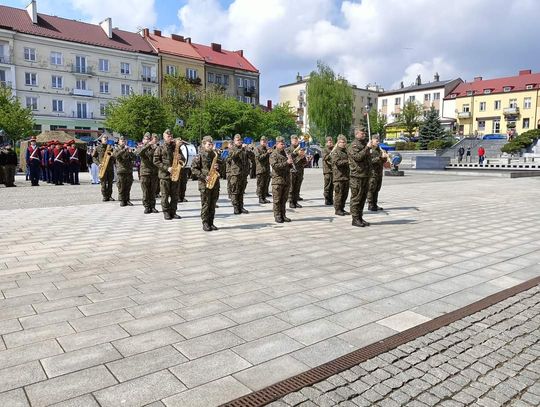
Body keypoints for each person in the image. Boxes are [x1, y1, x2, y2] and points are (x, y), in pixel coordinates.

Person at [191, 136, 221, 231]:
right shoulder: (199, 155)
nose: (211, 146)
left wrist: (218, 166)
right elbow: (193, 169)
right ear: (204, 144)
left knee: (213, 203)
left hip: (214, 182)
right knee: (206, 204)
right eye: (209, 144)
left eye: (211, 144)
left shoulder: (215, 154)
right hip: (204, 183)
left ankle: (211, 222)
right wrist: (204, 176)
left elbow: (223, 165)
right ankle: (205, 223)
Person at [154, 129, 184, 220]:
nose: (170, 138)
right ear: (164, 137)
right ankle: (166, 212)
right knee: (165, 195)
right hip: (165, 175)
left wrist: (180, 157)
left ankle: (173, 212)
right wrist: (167, 168)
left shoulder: (176, 147)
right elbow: (156, 161)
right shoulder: (160, 148)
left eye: (171, 136)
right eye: (168, 136)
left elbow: (183, 159)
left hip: (175, 174)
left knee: (175, 195)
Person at [348, 128, 372, 227]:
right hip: (357, 176)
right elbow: (358, 157)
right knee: (356, 198)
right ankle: (355, 219)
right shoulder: (354, 145)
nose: (364, 135)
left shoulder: (364, 144)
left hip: (365, 175)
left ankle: (360, 217)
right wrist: (367, 148)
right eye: (362, 133)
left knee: (362, 198)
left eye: (364, 133)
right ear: (356, 134)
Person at [270, 136, 294, 223]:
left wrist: (290, 163)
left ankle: (283, 215)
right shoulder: (273, 154)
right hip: (277, 181)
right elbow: (275, 166)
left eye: (284, 144)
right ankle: (277, 216)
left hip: (286, 179)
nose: (283, 145)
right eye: (281, 144)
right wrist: (286, 163)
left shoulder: (285, 153)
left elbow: (289, 166)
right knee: (277, 200)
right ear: (277, 144)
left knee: (284, 200)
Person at [227, 134, 250, 214]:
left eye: (240, 140)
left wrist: (248, 150)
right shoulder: (232, 149)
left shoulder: (244, 149)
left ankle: (241, 206)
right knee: (235, 191)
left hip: (243, 173)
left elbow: (252, 157)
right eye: (237, 140)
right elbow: (233, 156)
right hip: (235, 173)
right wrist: (241, 149)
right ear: (234, 141)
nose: (239, 142)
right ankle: (236, 207)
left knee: (241, 191)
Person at [137, 132, 159, 214]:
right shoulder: (141, 147)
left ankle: (153, 206)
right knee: (145, 191)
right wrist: (148, 145)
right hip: (145, 173)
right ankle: (146, 206)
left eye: (149, 139)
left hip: (153, 173)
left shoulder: (154, 148)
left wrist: (154, 147)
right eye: (146, 139)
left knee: (153, 191)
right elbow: (139, 153)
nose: (147, 141)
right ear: (143, 140)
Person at [114, 136, 136, 206]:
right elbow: (116, 156)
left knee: (128, 186)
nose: (123, 142)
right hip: (121, 170)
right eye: (122, 140)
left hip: (128, 170)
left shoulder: (128, 149)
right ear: (119, 142)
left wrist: (131, 152)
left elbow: (134, 158)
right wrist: (123, 150)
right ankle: (122, 200)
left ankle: (127, 199)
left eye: (124, 141)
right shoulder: (116, 149)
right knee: (121, 186)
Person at [368, 135, 388, 212]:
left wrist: (384, 157)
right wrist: (379, 158)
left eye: (378, 141)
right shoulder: (370, 150)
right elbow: (370, 161)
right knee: (371, 189)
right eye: (376, 141)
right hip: (372, 173)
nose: (378, 142)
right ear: (372, 141)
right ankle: (370, 204)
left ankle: (375, 204)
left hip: (379, 172)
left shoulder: (379, 150)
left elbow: (382, 161)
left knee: (377, 189)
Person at [331, 135, 350, 216]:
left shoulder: (346, 151)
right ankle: (337, 209)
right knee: (339, 194)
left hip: (346, 176)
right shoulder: (335, 152)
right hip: (338, 176)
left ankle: (342, 208)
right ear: (338, 143)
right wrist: (348, 161)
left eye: (345, 142)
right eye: (342, 142)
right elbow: (337, 162)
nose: (344, 144)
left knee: (345, 194)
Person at [287, 135, 308, 208]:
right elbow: (292, 160)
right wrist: (298, 155)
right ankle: (291, 202)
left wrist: (303, 156)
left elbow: (304, 162)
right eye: (294, 140)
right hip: (292, 171)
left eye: (297, 140)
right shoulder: (288, 149)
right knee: (291, 187)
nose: (296, 142)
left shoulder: (301, 149)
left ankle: (295, 201)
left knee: (297, 187)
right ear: (291, 141)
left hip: (300, 171)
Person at [93, 135, 115, 200]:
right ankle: (105, 196)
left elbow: (114, 157)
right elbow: (94, 157)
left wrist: (113, 156)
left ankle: (109, 196)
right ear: (101, 139)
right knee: (103, 183)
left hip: (110, 168)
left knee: (110, 183)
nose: (105, 139)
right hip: (102, 168)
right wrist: (98, 164)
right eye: (104, 138)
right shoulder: (97, 148)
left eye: (106, 138)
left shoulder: (110, 147)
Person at [255, 136, 271, 204]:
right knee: (260, 185)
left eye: (265, 141)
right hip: (260, 170)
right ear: (260, 141)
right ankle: (260, 198)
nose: (264, 143)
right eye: (263, 141)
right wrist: (267, 153)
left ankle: (264, 197)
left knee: (265, 184)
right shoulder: (257, 148)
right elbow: (259, 158)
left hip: (267, 169)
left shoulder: (267, 148)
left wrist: (270, 152)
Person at [322, 136, 334, 206]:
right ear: (326, 143)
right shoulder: (325, 150)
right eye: (329, 142)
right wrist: (331, 153)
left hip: (333, 170)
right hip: (327, 170)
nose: (331, 143)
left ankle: (331, 199)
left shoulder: (333, 149)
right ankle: (327, 199)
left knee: (332, 186)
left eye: (331, 142)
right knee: (327, 186)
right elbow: (325, 158)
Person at [177, 137, 189, 203]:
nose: (180, 143)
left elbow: (184, 159)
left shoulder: (182, 149)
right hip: (177, 169)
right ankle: (178, 197)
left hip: (183, 168)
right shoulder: (173, 149)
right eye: (179, 142)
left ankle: (182, 196)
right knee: (177, 184)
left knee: (183, 183)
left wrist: (181, 157)